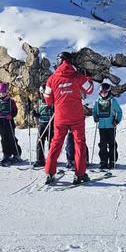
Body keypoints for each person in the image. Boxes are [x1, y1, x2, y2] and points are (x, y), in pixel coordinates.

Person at [43, 52, 95, 185]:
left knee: (56, 144)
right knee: (79, 144)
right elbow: (89, 90)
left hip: (60, 116)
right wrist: (88, 78)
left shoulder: (52, 79)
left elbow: (48, 100)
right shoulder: (77, 76)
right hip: (76, 116)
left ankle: (49, 173)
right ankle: (80, 174)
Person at [0, 82, 22, 166]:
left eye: (4, 92)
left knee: (12, 138)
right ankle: (6, 154)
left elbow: (15, 111)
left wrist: (11, 115)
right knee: (4, 139)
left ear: (7, 92)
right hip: (0, 123)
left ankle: (16, 154)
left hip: (9, 122)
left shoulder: (11, 101)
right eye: (1, 92)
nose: (3, 94)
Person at [91, 83, 123, 170]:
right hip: (102, 126)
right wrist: (95, 117)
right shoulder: (98, 101)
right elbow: (94, 111)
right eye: (102, 92)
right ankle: (103, 161)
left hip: (111, 126)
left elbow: (119, 112)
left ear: (109, 92)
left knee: (112, 143)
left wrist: (116, 120)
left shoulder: (113, 101)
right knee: (102, 144)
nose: (103, 93)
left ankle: (112, 160)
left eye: (105, 92)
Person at [31, 95, 54, 168]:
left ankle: (52, 159)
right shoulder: (39, 102)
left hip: (51, 123)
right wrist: (35, 114)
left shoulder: (53, 101)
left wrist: (53, 112)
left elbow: (57, 111)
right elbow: (38, 112)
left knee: (51, 142)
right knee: (40, 140)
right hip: (42, 123)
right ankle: (40, 160)